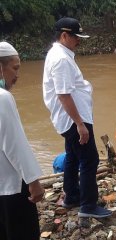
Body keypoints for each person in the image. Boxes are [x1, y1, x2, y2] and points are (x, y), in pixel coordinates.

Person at [42, 17, 111, 218]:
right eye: (76, 37)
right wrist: (80, 124)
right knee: (90, 159)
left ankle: (72, 195)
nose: (78, 41)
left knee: (73, 156)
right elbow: (63, 94)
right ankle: (88, 206)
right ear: (64, 35)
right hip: (73, 119)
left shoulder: (60, 54)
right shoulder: (61, 59)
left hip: (70, 118)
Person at [0, 41, 44, 239]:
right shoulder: (3, 98)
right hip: (11, 185)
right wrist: (33, 182)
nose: (17, 75)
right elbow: (14, 144)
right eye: (15, 68)